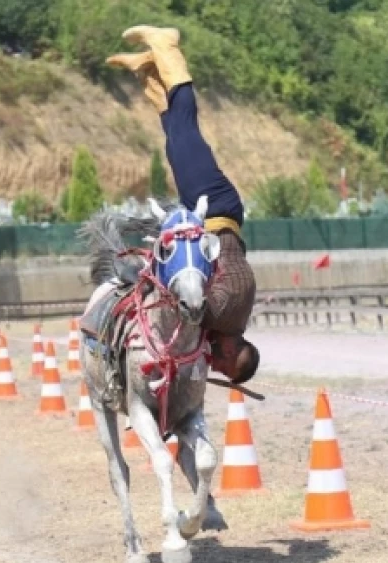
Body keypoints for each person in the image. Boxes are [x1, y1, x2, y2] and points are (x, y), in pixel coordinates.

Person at [106, 26, 260, 386]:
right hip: (216, 207)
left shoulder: (233, 318)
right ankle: (166, 45)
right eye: (221, 365)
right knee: (186, 131)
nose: (215, 365)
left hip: (209, 215)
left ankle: (149, 71)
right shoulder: (224, 313)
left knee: (176, 140)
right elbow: (189, 311)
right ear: (231, 350)